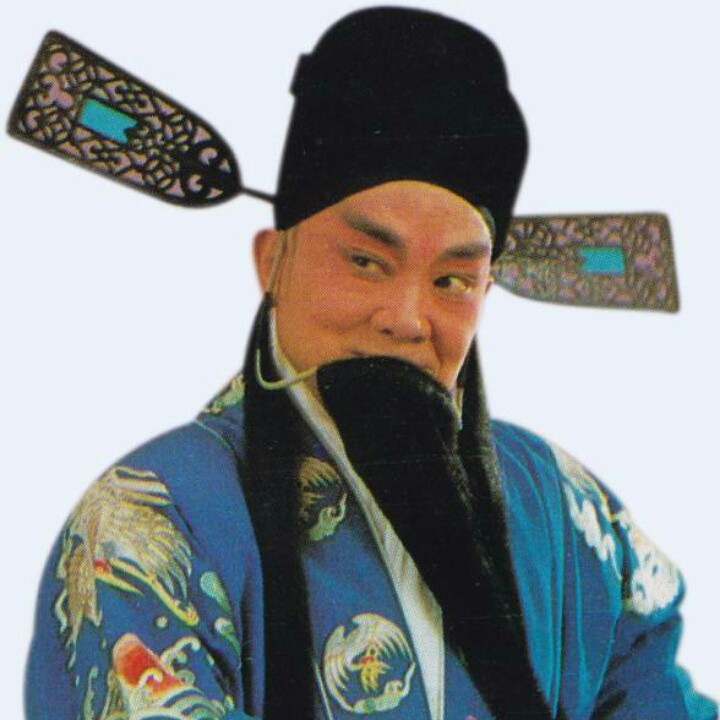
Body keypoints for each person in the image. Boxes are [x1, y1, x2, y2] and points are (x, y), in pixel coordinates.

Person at [22, 7, 716, 720]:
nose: (407, 319)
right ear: (273, 261)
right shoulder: (152, 519)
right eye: (366, 262)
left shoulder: (564, 509)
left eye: (451, 280)